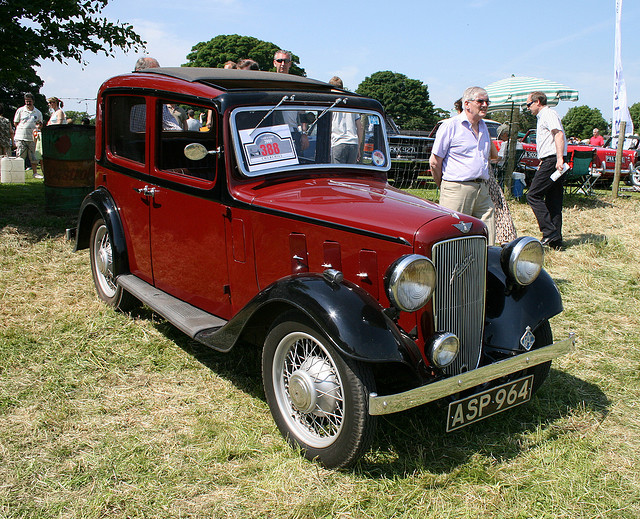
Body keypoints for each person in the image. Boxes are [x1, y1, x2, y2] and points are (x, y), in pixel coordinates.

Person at [429, 87, 496, 245]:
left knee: (487, 235)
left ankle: (484, 268)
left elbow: (490, 156)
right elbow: (434, 162)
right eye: (480, 101)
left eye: (487, 101)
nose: (485, 105)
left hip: (482, 190)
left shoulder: (484, 127)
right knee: (453, 238)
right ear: (467, 104)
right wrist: (445, 185)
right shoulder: (450, 126)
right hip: (457, 189)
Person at [525, 91, 567, 249]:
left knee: (533, 195)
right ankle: (556, 241)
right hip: (550, 160)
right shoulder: (544, 116)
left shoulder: (548, 113)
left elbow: (558, 134)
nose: (528, 108)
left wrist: (559, 159)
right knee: (553, 199)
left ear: (537, 102)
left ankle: (549, 232)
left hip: (553, 160)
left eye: (529, 104)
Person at [273, 50, 308, 151]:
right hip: (273, 133)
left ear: (290, 64)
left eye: (285, 61)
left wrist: (304, 134)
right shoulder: (269, 85)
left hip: (293, 133)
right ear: (274, 63)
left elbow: (302, 112)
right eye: (279, 61)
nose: (282, 64)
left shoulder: (296, 86)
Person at [327, 77, 363, 163]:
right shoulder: (351, 104)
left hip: (337, 142)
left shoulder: (331, 104)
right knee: (350, 174)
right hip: (353, 143)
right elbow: (360, 127)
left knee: (337, 174)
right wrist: (359, 147)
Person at [13, 93, 43, 179]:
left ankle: (35, 173)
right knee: (20, 156)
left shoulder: (38, 112)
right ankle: (18, 174)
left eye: (29, 101)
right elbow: (16, 122)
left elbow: (40, 124)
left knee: (33, 157)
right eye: (26, 101)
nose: (28, 103)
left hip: (33, 138)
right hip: (21, 137)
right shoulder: (20, 110)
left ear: (33, 101)